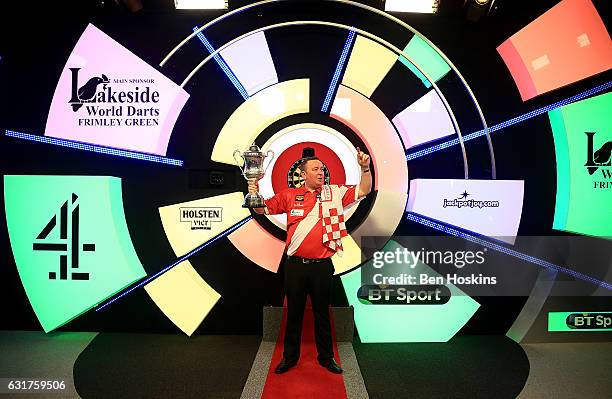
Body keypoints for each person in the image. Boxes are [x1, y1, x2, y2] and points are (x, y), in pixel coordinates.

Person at [248, 147, 372, 374]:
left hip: (322, 267)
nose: (321, 172)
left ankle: (326, 358)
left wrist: (365, 167)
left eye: (322, 169)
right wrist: (252, 189)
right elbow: (260, 209)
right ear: (302, 174)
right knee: (293, 313)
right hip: (295, 267)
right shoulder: (288, 195)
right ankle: (290, 357)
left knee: (322, 314)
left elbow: (365, 188)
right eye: (315, 169)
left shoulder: (334, 193)